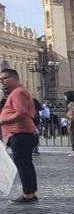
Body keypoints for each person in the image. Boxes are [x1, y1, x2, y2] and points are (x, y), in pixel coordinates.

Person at [0, 69, 41, 203]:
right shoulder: (18, 92)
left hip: (20, 132)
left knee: (23, 164)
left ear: (15, 78)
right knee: (26, 163)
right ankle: (30, 192)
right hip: (21, 132)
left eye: (5, 78)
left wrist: (2, 120)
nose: (2, 81)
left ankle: (28, 194)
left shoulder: (18, 92)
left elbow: (21, 113)